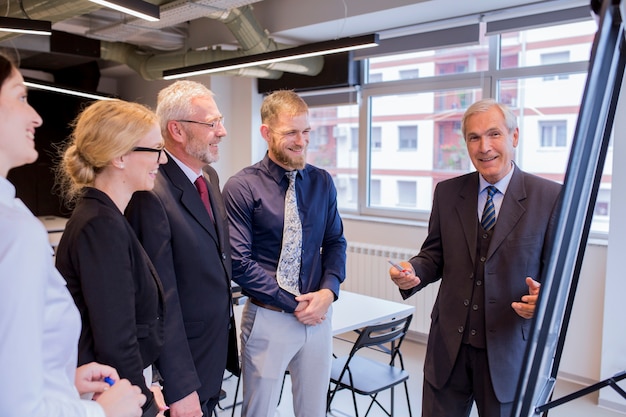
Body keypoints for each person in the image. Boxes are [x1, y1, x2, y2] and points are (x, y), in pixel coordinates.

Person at [389, 98, 562, 417]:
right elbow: (434, 254)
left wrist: (545, 300)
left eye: (494, 134)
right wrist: (413, 270)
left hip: (508, 353)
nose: (484, 147)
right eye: (474, 137)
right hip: (447, 349)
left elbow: (558, 277)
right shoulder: (447, 192)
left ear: (514, 137)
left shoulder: (550, 197)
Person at [0, 51, 146, 417]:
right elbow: (17, 406)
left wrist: (63, 380)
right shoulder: (16, 230)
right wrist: (104, 412)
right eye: (20, 97)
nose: (36, 116)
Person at [222, 89, 347, 417]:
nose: (301, 141)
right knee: (259, 411)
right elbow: (239, 261)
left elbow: (335, 242)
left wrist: (328, 293)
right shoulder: (242, 186)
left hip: (318, 316)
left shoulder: (322, 181)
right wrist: (295, 304)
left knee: (313, 410)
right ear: (266, 133)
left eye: (306, 131)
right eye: (290, 132)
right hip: (269, 317)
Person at [125, 80, 239, 417]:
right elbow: (161, 301)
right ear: (176, 129)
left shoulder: (209, 178)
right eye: (212, 123)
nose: (223, 131)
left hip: (211, 353)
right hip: (182, 368)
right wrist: (179, 385)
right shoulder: (151, 192)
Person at [54, 99, 167, 417]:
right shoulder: (100, 224)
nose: (163, 159)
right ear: (119, 156)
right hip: (107, 392)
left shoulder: (107, 217)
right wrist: (142, 402)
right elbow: (115, 336)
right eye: (155, 149)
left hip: (116, 384)